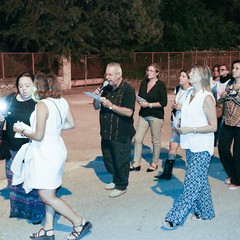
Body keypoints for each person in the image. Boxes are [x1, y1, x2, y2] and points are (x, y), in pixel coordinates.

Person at [12, 70, 92, 240]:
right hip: (57, 149)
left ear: (40, 86)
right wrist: (51, 130)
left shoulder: (42, 105)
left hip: (46, 153)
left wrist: (22, 130)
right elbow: (70, 124)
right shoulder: (61, 101)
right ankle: (48, 229)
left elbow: (38, 136)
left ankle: (78, 222)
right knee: (51, 190)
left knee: (46, 195)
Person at [162, 64, 217, 230]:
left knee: (191, 183)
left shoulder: (207, 97)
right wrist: (179, 125)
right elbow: (187, 115)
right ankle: (207, 212)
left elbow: (213, 126)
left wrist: (190, 129)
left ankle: (175, 218)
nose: (189, 74)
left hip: (202, 146)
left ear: (201, 76)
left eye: (192, 72)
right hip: (190, 144)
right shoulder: (189, 94)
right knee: (200, 180)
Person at [0, 72, 45, 224]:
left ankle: (36, 213)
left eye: (27, 85)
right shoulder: (10, 99)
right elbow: (3, 118)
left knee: (31, 182)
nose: (24, 89)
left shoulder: (39, 103)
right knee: (14, 182)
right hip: (12, 149)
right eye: (20, 86)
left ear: (34, 85)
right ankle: (20, 210)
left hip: (31, 149)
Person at [93, 62, 136, 198]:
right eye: (106, 74)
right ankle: (116, 179)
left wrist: (111, 106)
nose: (107, 77)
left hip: (121, 132)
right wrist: (96, 97)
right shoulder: (106, 88)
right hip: (106, 131)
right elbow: (96, 107)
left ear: (119, 74)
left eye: (110, 74)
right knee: (109, 159)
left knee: (121, 160)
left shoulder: (128, 90)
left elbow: (129, 112)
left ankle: (122, 185)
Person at [130, 63, 167, 172]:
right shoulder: (143, 83)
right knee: (137, 138)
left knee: (155, 141)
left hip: (156, 116)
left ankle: (154, 163)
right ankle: (136, 162)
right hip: (144, 114)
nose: (149, 72)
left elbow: (163, 102)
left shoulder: (161, 85)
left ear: (157, 73)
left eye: (152, 71)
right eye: (148, 70)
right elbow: (141, 96)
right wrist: (139, 100)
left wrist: (149, 105)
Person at [155, 69, 192, 180]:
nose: (180, 78)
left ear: (189, 79)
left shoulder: (192, 92)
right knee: (173, 145)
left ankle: (192, 172)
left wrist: (183, 108)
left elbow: (195, 109)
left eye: (183, 76)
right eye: (180, 75)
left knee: (189, 148)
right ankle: (167, 172)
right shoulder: (178, 89)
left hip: (187, 124)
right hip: (176, 122)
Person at [218, 59, 240, 190]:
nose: (234, 70)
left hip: (239, 124)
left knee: (237, 152)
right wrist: (224, 95)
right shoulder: (230, 83)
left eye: (237, 68)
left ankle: (236, 180)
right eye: (233, 68)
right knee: (223, 148)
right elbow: (222, 100)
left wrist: (233, 95)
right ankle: (233, 173)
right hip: (227, 122)